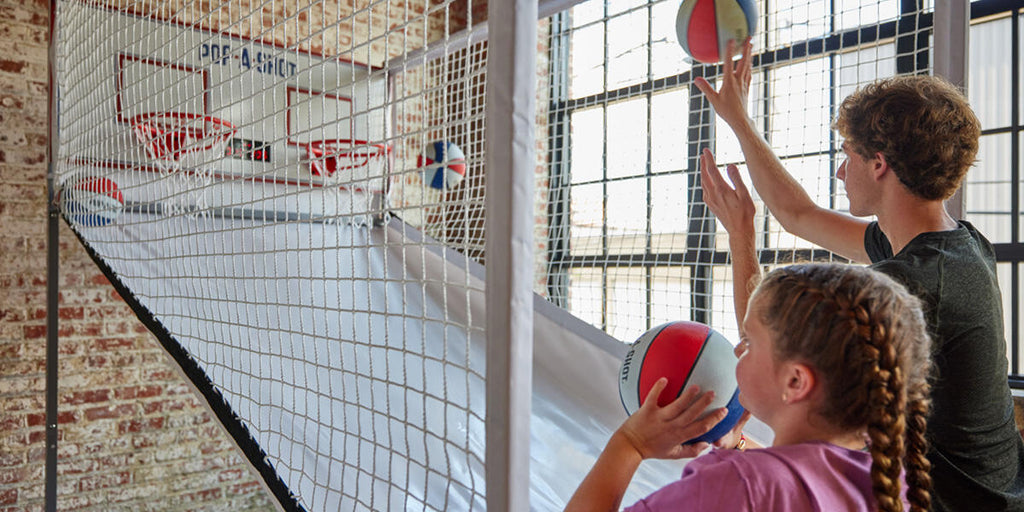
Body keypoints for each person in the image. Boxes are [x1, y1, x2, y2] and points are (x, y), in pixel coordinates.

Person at [694, 38, 1024, 511]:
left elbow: (767, 347)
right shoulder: (957, 243)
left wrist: (741, 233)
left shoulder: (915, 283)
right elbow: (799, 215)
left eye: (847, 154)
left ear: (879, 165)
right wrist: (740, 122)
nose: (839, 171)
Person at [565, 215, 935, 511]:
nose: (738, 350)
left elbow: (763, 489)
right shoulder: (891, 485)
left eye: (751, 342)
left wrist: (630, 444)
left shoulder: (736, 487)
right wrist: (737, 444)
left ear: (795, 382)